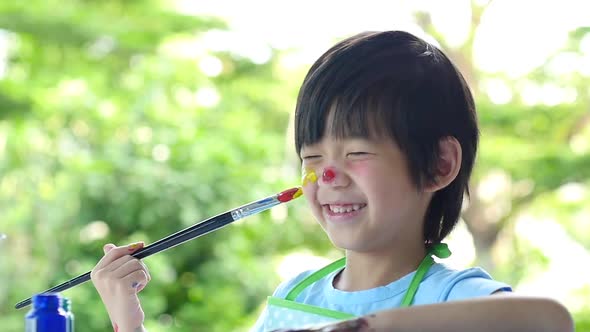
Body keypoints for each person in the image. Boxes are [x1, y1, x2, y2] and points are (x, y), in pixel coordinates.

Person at [90, 31, 574, 332]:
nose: (326, 176)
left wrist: (357, 328)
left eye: (357, 152)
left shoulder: (454, 294)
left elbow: (548, 321)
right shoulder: (296, 294)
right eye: (312, 156)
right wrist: (128, 321)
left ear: (439, 164)